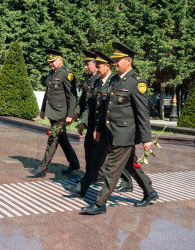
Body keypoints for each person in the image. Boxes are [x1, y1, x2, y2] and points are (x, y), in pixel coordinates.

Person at [82, 42, 158, 214]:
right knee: (129, 165)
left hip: (125, 134)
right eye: (114, 60)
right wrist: (99, 128)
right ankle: (150, 192)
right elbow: (105, 108)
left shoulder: (137, 83)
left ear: (128, 61)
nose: (115, 63)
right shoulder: (115, 80)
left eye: (118, 60)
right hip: (111, 131)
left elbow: (142, 113)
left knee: (112, 167)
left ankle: (100, 204)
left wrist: (146, 138)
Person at [68, 49, 132, 195]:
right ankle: (88, 181)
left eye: (98, 66)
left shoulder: (115, 81)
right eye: (95, 66)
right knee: (95, 155)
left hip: (112, 127)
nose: (95, 69)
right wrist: (84, 121)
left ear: (107, 66)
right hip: (97, 124)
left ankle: (136, 184)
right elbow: (90, 103)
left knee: (119, 159)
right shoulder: (95, 82)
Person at [29, 48, 79, 177]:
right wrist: (43, 109)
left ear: (60, 60)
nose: (50, 64)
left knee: (52, 140)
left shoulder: (67, 74)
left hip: (61, 114)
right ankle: (74, 163)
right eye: (49, 62)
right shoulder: (52, 74)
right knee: (62, 139)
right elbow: (48, 93)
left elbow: (72, 96)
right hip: (52, 112)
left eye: (53, 61)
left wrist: (69, 115)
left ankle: (42, 168)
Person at [72, 49, 99, 175]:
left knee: (101, 151)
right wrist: (77, 112)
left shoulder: (99, 79)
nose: (85, 66)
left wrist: (84, 122)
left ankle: (94, 175)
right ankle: (90, 176)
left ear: (95, 64)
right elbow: (84, 98)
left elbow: (93, 104)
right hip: (91, 120)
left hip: (97, 121)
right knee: (89, 148)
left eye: (88, 64)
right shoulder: (89, 78)